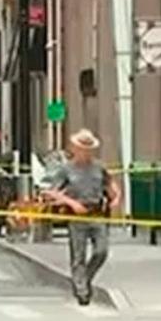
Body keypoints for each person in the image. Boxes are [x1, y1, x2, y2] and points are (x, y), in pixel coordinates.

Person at [45, 129, 121, 306]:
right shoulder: (66, 169)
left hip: (97, 213)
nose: (85, 151)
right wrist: (72, 203)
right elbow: (52, 192)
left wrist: (116, 197)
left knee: (101, 251)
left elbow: (110, 183)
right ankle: (82, 291)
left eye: (88, 148)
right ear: (75, 148)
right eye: (82, 147)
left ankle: (85, 278)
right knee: (78, 254)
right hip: (77, 216)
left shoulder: (99, 167)